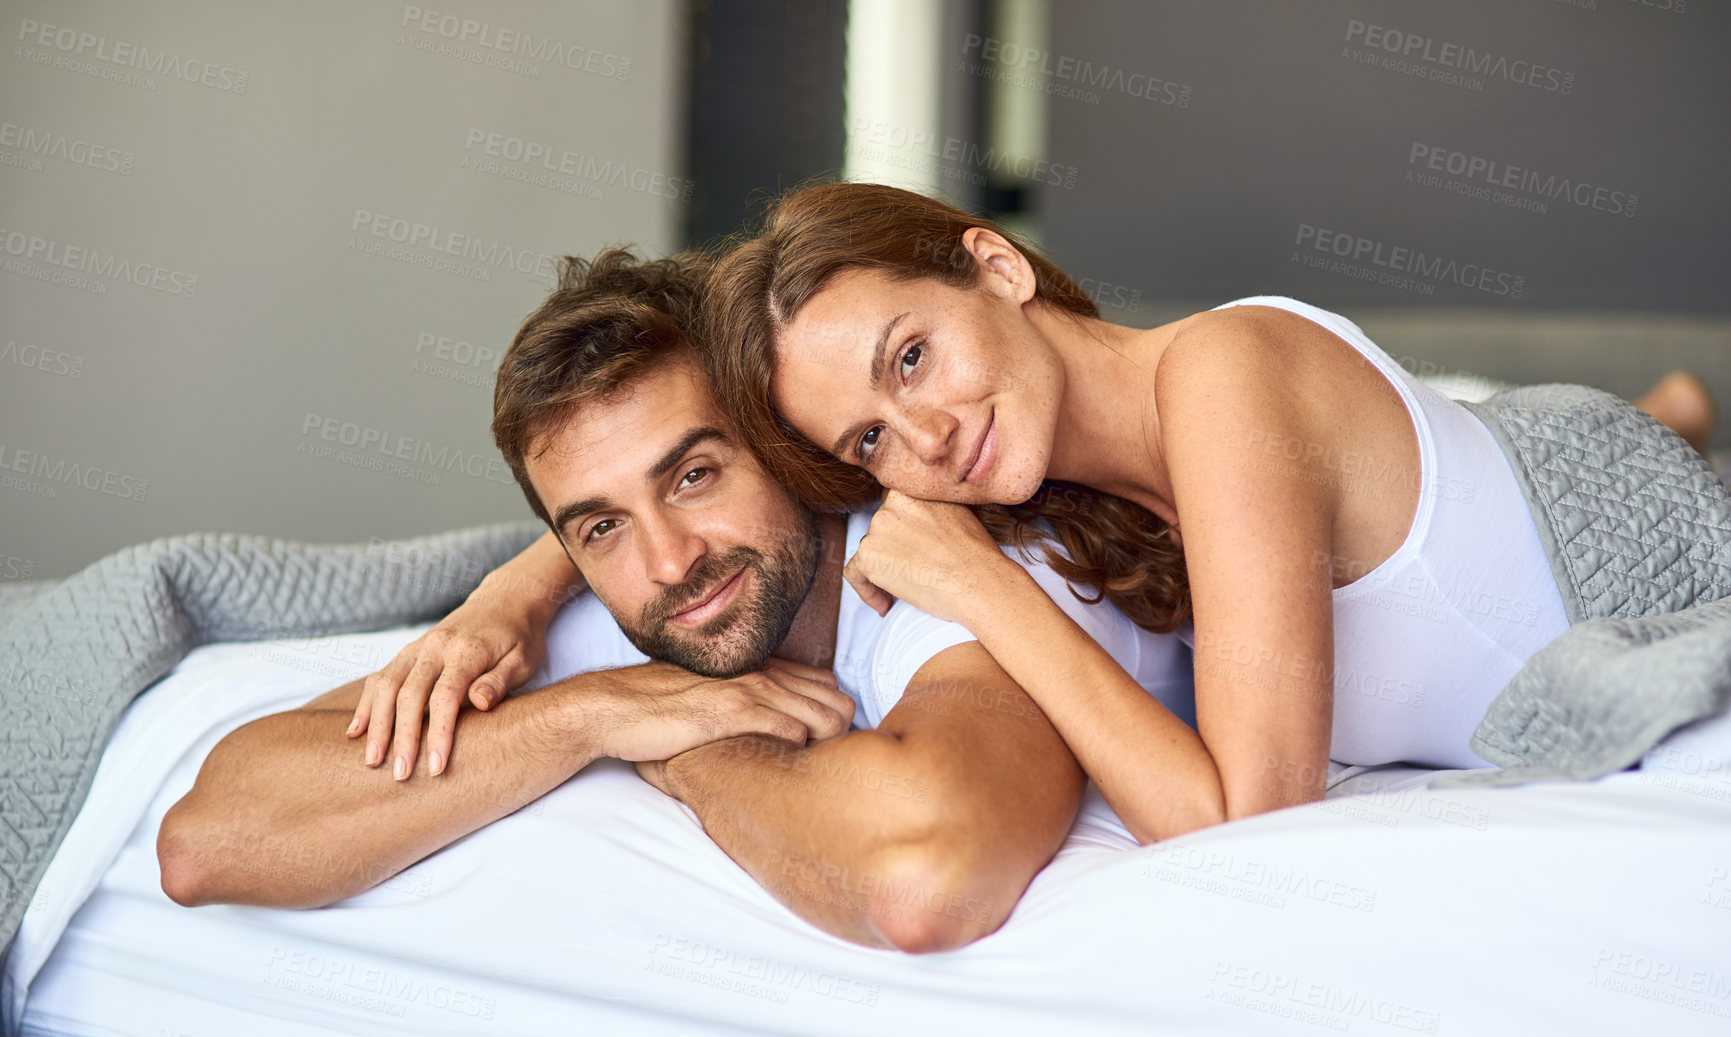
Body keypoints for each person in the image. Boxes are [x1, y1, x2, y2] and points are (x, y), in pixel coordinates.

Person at [156, 248, 1193, 953]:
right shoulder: (650, 623)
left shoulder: (965, 547)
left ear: (786, 434)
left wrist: (681, 747)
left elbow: (922, 877)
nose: (668, 563)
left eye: (695, 475)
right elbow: (210, 841)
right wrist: (592, 715)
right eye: (598, 527)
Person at [698, 181, 1720, 845]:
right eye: (869, 440)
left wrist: (985, 592)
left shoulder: (1223, 374)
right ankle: (1667, 413)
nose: (923, 439)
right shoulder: (1077, 504)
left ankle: (1668, 417)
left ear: (999, 269)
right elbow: (712, 520)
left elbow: (1248, 824)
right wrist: (542, 572)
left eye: (912, 359)